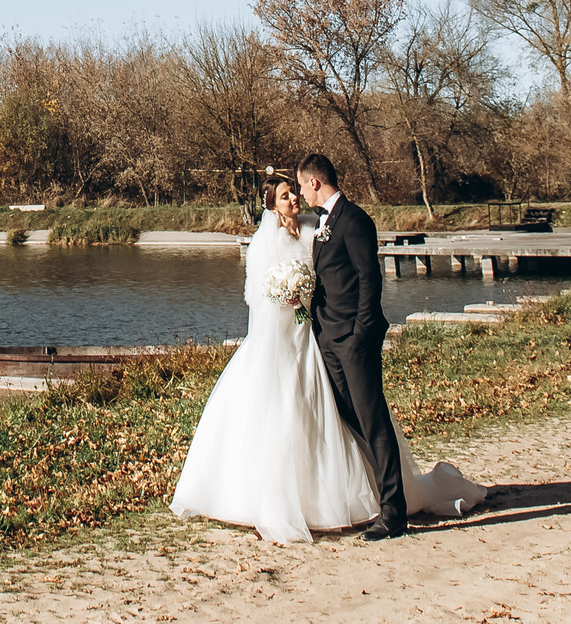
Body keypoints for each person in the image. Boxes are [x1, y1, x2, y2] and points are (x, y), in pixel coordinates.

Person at [170, 176, 382, 542]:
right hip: (282, 333)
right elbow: (256, 295)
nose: (294, 199)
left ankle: (337, 493)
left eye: (294, 192)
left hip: (314, 330)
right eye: (285, 196)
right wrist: (285, 297)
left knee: (323, 405)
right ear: (271, 205)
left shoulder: (314, 228)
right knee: (284, 409)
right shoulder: (264, 243)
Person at [295, 152, 486, 538]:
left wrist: (362, 332)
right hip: (328, 336)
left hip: (354, 338)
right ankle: (376, 495)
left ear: (314, 182)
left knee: (374, 420)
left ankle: (394, 512)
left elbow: (370, 279)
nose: (301, 193)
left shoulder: (355, 220)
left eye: (301, 185)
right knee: (350, 418)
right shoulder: (321, 223)